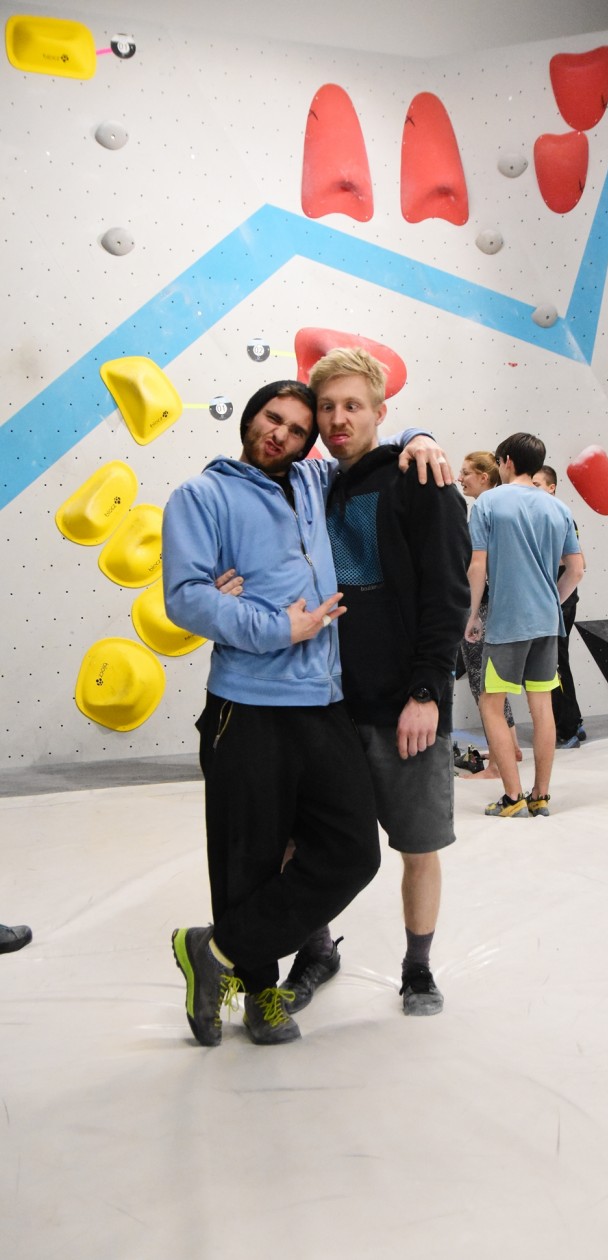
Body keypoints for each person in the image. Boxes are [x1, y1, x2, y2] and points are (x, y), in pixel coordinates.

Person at [163, 379, 450, 1046]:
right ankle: (259, 998)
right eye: (273, 419)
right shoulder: (202, 496)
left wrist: (420, 435)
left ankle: (214, 950)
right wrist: (272, 627)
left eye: (296, 429)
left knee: (353, 852)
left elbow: (377, 443)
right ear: (249, 418)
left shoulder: (318, 481)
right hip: (247, 704)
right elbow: (184, 598)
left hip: (323, 704)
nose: (281, 435)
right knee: (250, 862)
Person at [284, 348, 471, 1015]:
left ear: (380, 412)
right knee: (306, 841)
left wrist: (427, 693)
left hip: (404, 705)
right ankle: (314, 949)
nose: (338, 418)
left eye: (352, 405)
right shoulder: (314, 489)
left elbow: (449, 596)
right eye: (328, 407)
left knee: (417, 844)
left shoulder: (419, 479)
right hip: (329, 705)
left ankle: (418, 968)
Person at [466, 433, 583, 818]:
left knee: (491, 704)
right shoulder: (557, 508)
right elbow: (576, 569)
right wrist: (552, 603)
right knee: (542, 707)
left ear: (507, 461)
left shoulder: (488, 502)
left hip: (507, 622)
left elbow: (478, 565)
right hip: (547, 623)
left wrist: (471, 616)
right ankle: (541, 795)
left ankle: (512, 796)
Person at [457, 451, 522, 777]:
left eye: (467, 473)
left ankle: (498, 764)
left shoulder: (485, 511)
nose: (460, 478)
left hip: (485, 607)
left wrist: (473, 612)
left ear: (485, 476)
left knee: (485, 689)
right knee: (495, 687)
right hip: (505, 605)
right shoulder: (510, 508)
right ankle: (508, 748)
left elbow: (478, 566)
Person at [532, 465, 586, 748]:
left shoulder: (559, 515)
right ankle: (572, 722)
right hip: (552, 600)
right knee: (555, 663)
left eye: (538, 484)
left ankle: (569, 727)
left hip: (559, 601)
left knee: (554, 664)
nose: (533, 489)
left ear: (552, 487)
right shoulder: (543, 514)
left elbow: (575, 562)